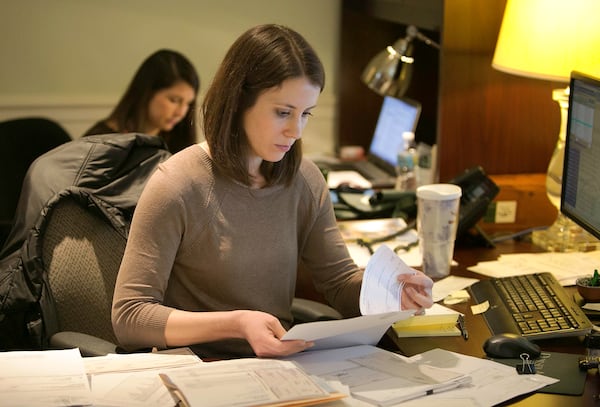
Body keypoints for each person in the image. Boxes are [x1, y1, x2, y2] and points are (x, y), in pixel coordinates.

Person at [111, 24, 434, 359]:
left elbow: (339, 284)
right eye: (283, 112)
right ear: (238, 102)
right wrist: (237, 324)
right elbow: (130, 317)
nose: (296, 130)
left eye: (305, 114)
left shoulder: (305, 180)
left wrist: (392, 291)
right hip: (199, 371)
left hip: (281, 368)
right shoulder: (176, 184)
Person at [84, 49, 199, 154]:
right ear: (147, 93)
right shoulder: (101, 142)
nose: (181, 113)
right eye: (174, 100)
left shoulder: (176, 142)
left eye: (188, 104)